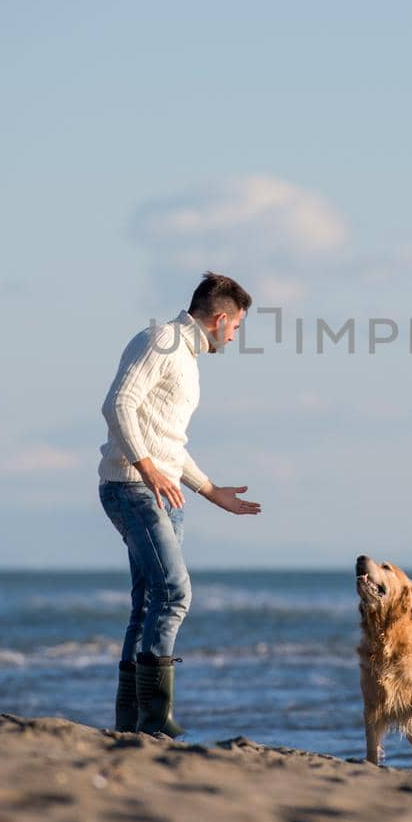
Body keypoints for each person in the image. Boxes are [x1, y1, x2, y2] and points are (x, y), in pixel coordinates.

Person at [99, 271, 262, 737]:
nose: (235, 335)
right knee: (175, 593)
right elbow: (117, 405)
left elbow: (167, 440)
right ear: (220, 318)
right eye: (236, 326)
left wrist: (209, 490)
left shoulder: (186, 358)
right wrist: (147, 469)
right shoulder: (160, 340)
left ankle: (131, 725)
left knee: (148, 602)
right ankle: (156, 717)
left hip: (162, 490)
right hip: (133, 486)